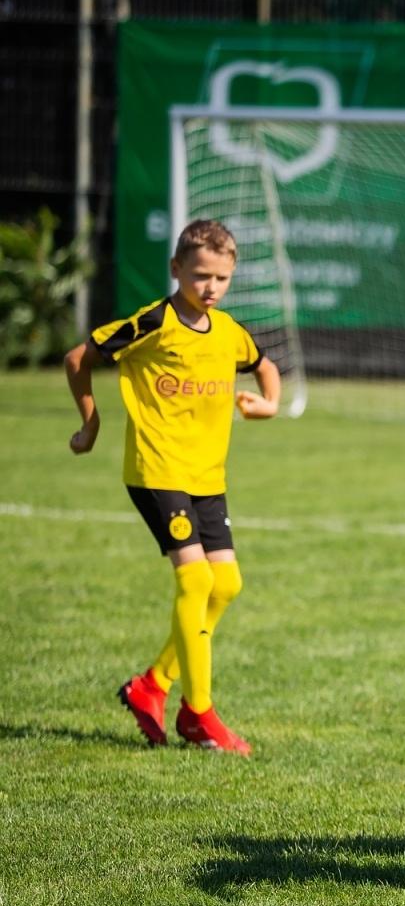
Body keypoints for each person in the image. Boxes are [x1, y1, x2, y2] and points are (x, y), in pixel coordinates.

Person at [63, 218, 280, 755]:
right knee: (196, 581)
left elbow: (264, 365)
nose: (211, 287)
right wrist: (91, 423)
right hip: (157, 471)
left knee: (226, 585)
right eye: (201, 275)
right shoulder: (153, 322)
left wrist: (268, 403)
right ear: (176, 269)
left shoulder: (228, 331)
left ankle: (152, 685)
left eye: (222, 279)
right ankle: (199, 714)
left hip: (207, 476)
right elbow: (78, 358)